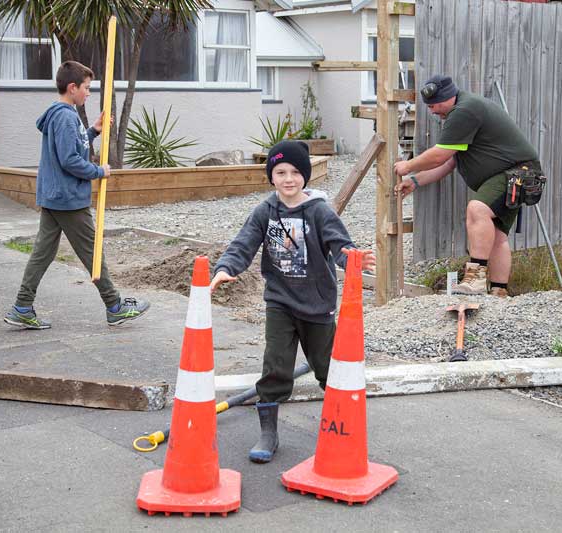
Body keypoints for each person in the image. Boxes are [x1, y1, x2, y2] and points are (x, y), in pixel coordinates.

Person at [210, 140, 375, 463]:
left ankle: (343, 426)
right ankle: (268, 434)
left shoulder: (319, 211)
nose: (288, 179)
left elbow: (341, 245)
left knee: (329, 369)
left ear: (306, 176)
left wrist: (354, 260)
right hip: (280, 304)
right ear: (271, 176)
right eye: (281, 171)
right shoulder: (265, 212)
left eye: (296, 172)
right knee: (275, 366)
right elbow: (243, 243)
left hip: (318, 305)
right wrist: (225, 269)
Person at [4, 61, 149, 330]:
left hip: (55, 195)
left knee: (42, 253)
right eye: (86, 88)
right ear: (72, 88)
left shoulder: (61, 115)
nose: (89, 93)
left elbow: (74, 145)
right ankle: (114, 306)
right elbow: (70, 159)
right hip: (68, 198)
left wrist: (93, 130)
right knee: (92, 253)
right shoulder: (66, 116)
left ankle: (22, 307)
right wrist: (99, 171)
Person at [394, 74, 543, 298]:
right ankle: (499, 291)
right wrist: (415, 181)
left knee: (477, 209)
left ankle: (475, 279)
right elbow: (448, 162)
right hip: (518, 174)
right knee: (497, 235)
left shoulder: (464, 110)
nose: (432, 111)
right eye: (429, 106)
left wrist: (408, 166)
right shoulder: (465, 111)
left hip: (517, 173)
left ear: (448, 97)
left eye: (434, 105)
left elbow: (438, 155)